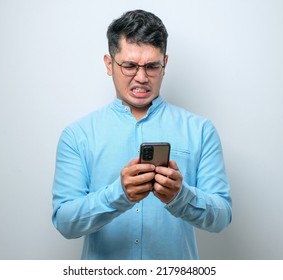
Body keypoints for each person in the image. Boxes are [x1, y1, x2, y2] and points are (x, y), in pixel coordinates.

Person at [52, 9, 232, 260]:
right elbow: (65, 222)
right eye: (129, 66)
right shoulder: (78, 135)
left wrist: (181, 197)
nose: (141, 77)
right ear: (109, 64)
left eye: (151, 66)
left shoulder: (201, 131)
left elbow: (222, 217)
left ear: (164, 64)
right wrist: (119, 195)